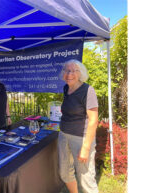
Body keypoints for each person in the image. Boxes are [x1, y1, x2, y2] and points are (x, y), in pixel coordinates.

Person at [58, 59, 99, 193]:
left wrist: (86, 148)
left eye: (73, 71)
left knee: (86, 179)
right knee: (65, 173)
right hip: (64, 135)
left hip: (81, 139)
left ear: (80, 73)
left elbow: (93, 120)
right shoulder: (66, 88)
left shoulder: (88, 90)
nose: (69, 74)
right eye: (67, 70)